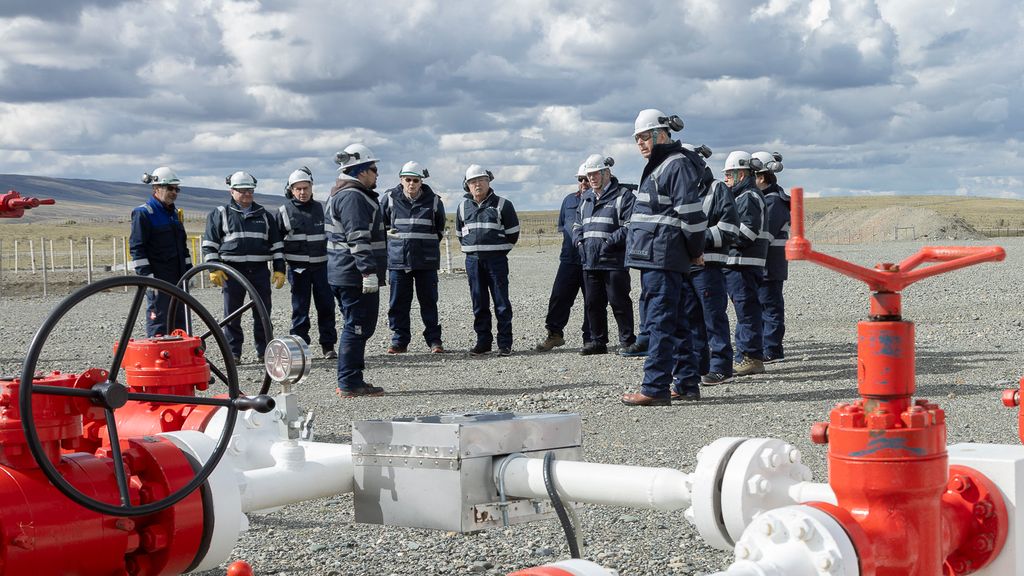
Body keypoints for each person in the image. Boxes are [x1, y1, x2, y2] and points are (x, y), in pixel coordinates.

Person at [621, 109, 708, 406]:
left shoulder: (675, 164)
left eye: (645, 137)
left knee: (658, 321)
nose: (640, 143)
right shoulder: (663, 165)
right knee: (678, 321)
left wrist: (695, 251)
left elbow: (691, 215)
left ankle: (655, 387)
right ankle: (686, 384)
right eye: (637, 139)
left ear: (662, 134)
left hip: (663, 256)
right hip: (659, 255)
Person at [202, 171, 286, 364]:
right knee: (232, 314)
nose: (247, 194)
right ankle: (233, 353)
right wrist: (214, 269)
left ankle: (265, 351)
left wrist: (280, 268)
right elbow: (209, 245)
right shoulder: (220, 214)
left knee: (263, 313)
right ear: (232, 191)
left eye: (250, 190)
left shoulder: (264, 215)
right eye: (242, 191)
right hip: (232, 271)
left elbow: (277, 246)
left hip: (259, 270)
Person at [326, 144, 388, 397]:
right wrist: (368, 272)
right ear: (361, 171)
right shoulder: (353, 197)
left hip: (343, 272)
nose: (376, 174)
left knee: (355, 326)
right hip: (353, 275)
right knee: (357, 327)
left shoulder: (342, 194)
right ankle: (350, 382)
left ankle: (353, 378)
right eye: (373, 169)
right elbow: (358, 238)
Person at [380, 161, 446, 354]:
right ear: (401, 179)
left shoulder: (434, 201)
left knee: (429, 302)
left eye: (415, 180)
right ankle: (399, 341)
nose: (411, 184)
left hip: (426, 261)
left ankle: (434, 340)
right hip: (398, 261)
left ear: (421, 181)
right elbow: (381, 227)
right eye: (408, 179)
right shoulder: (389, 199)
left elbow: (439, 229)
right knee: (398, 303)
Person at [573, 154, 635, 356]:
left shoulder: (623, 196)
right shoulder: (586, 198)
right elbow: (577, 226)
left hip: (614, 261)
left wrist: (609, 243)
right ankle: (598, 341)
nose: (591, 178)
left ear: (607, 172)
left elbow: (630, 226)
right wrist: (579, 243)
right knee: (593, 303)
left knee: (619, 302)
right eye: (589, 175)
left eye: (596, 174)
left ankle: (627, 341)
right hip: (590, 261)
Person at [455, 164, 520, 356]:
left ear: (488, 181)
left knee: (501, 302)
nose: (477, 184)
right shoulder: (462, 207)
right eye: (473, 181)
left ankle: (504, 344)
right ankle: (483, 342)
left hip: (496, 261)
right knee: (479, 303)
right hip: (472, 262)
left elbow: (513, 234)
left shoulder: (503, 205)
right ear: (467, 185)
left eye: (481, 180)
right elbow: (460, 234)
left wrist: (497, 251)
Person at [275, 166, 337, 359]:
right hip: (297, 269)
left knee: (326, 307)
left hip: (322, 268)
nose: (302, 192)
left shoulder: (321, 209)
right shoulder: (284, 211)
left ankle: (328, 346)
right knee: (300, 310)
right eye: (298, 189)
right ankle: (300, 347)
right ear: (291, 190)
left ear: (311, 187)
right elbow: (276, 242)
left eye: (305, 188)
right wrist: (279, 268)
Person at [534, 163, 592, 352]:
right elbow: (563, 227)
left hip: (591, 260)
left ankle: (590, 338)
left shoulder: (600, 200)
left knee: (592, 300)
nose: (584, 182)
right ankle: (555, 334)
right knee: (559, 297)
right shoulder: (568, 201)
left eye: (587, 179)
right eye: (580, 179)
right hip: (569, 259)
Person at [129, 166, 192, 337]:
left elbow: (183, 248)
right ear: (156, 188)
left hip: (179, 279)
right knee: (159, 323)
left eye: (177, 189)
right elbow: (137, 249)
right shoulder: (144, 213)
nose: (174, 192)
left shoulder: (174, 214)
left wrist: (189, 273)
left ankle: (179, 352)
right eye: (170, 188)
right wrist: (147, 278)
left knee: (181, 324)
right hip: (158, 279)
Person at [722, 151, 769, 377]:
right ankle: (746, 355)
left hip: (742, 264)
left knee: (747, 311)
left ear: (741, 174)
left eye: (729, 174)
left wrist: (721, 238)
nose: (725, 179)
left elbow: (747, 233)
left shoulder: (748, 197)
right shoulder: (744, 196)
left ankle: (751, 358)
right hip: (741, 263)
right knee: (746, 311)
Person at [752, 151, 788, 364]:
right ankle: (766, 347)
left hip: (770, 264)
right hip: (764, 263)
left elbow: (765, 233)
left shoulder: (774, 202)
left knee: (770, 306)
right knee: (762, 305)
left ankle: (773, 349)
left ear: (762, 177)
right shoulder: (767, 199)